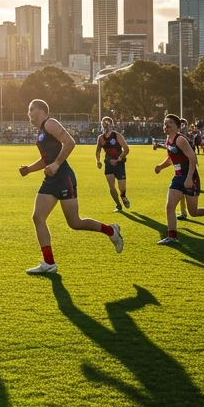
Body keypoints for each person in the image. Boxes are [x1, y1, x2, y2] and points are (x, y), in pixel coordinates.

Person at [20, 98, 123, 275]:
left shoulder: (50, 123)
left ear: (41, 110)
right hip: (51, 179)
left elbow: (70, 142)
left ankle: (111, 230)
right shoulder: (41, 132)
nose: (28, 113)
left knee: (75, 223)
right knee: (38, 217)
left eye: (31, 109)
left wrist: (57, 164)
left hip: (64, 178)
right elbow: (46, 159)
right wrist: (29, 169)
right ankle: (49, 262)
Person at [154, 113, 204, 245]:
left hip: (190, 176)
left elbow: (192, 158)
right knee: (170, 206)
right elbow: (172, 159)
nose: (166, 125)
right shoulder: (169, 140)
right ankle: (172, 236)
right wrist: (160, 167)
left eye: (170, 123)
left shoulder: (180, 140)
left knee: (193, 212)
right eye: (165, 123)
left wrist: (189, 178)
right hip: (178, 177)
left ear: (177, 127)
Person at [95, 116, 131, 212]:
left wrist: (118, 159)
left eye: (107, 124)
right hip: (108, 164)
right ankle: (118, 205)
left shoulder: (117, 136)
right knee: (111, 186)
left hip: (119, 164)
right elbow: (98, 151)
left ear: (112, 125)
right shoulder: (101, 138)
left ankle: (123, 197)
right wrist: (98, 161)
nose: (105, 126)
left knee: (122, 188)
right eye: (103, 124)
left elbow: (126, 149)